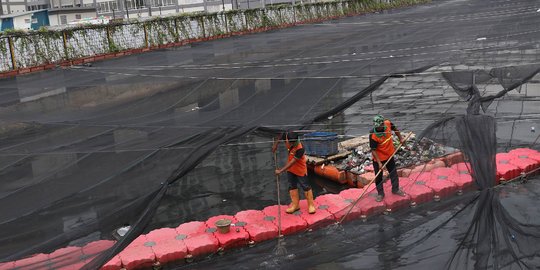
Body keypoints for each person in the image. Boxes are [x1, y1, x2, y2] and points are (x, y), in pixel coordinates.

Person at [272, 132, 316, 214]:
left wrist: (280, 171)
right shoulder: (286, 137)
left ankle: (311, 205)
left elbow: (293, 162)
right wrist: (275, 145)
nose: (291, 144)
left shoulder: (300, 148)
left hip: (300, 169)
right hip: (290, 170)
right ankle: (295, 205)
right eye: (290, 142)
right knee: (292, 186)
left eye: (293, 142)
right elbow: (280, 135)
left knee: (305, 186)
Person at [370, 115, 406, 202]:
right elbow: (373, 151)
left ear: (382, 124)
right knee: (379, 177)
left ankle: (395, 189)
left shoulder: (388, 124)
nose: (378, 128)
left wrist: (400, 138)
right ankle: (380, 193)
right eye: (376, 127)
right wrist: (379, 163)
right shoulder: (373, 135)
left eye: (379, 126)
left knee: (393, 173)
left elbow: (395, 129)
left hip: (389, 155)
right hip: (378, 158)